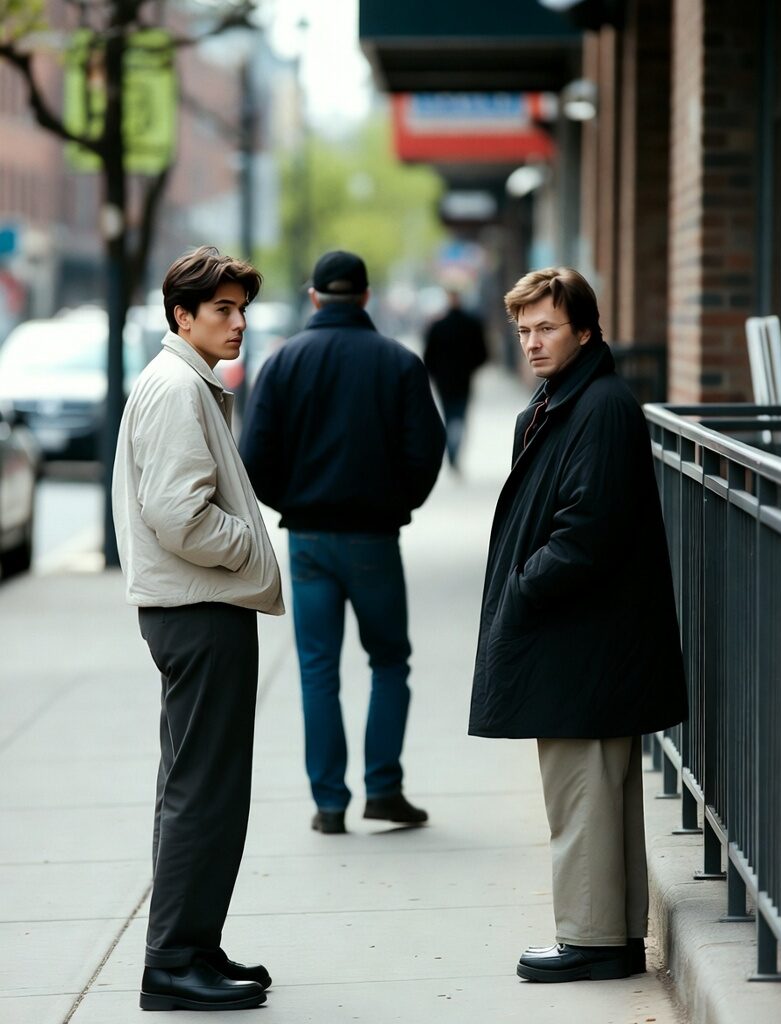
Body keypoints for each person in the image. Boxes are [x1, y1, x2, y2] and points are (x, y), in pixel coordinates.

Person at [468, 267, 687, 984]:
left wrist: (524, 589)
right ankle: (614, 935)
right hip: (588, 636)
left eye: (547, 328)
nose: (532, 342)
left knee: (582, 791)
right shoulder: (573, 399)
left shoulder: (597, 405)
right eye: (524, 329)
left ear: (585, 330)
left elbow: (586, 532)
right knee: (600, 791)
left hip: (582, 635)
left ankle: (592, 940)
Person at [112, 245, 284, 1012]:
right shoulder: (176, 388)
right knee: (203, 790)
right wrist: (248, 542)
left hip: (198, 606)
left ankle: (194, 945)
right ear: (182, 315)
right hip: (198, 607)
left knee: (203, 785)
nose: (238, 321)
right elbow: (178, 513)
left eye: (242, 308)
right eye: (223, 309)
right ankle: (174, 962)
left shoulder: (186, 382)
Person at [239, 250, 445, 835]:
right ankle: (383, 788)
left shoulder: (281, 365)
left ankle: (329, 803)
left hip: (306, 541)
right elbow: (425, 454)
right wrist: (396, 504)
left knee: (317, 670)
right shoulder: (399, 363)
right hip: (374, 539)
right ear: (365, 297)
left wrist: (297, 505)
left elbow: (254, 461)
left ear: (313, 298)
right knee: (388, 662)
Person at [423, 289, 487, 471]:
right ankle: (454, 451)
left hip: (444, 381)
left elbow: (428, 357)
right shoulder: (472, 324)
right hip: (465, 379)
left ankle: (452, 452)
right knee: (460, 416)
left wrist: (435, 374)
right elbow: (483, 354)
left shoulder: (437, 326)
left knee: (449, 415)